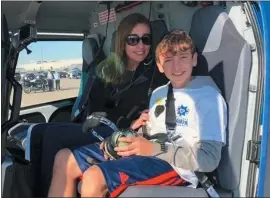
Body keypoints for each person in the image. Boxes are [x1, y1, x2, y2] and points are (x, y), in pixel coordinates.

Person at [48, 30, 227, 197]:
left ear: (194, 59)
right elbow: (151, 132)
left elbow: (208, 159)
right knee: (65, 158)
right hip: (149, 150)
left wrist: (155, 149)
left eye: (183, 57)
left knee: (94, 177)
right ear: (160, 66)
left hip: (179, 166)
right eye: (168, 60)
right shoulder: (159, 93)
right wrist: (123, 138)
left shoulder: (208, 97)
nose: (177, 66)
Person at [39, 13, 168, 197]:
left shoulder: (156, 73)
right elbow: (96, 106)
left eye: (146, 39)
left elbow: (156, 112)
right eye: (133, 39)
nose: (141, 46)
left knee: (53, 136)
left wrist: (136, 122)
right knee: (43, 131)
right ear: (123, 41)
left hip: (125, 132)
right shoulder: (108, 70)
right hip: (102, 125)